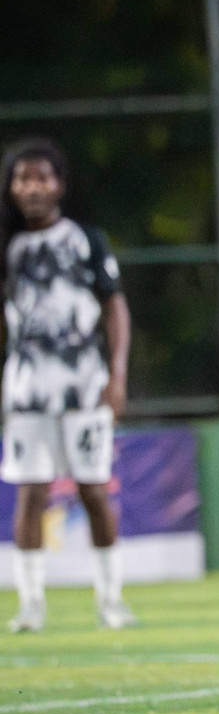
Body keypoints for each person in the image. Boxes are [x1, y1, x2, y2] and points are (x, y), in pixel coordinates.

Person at [1, 137, 135, 633]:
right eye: (22, 178)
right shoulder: (7, 245)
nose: (32, 188)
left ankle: (110, 599)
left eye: (41, 177)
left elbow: (114, 305)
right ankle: (31, 604)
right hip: (27, 388)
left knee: (94, 489)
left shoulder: (85, 239)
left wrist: (117, 374)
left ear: (58, 184)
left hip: (84, 383)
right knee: (30, 494)